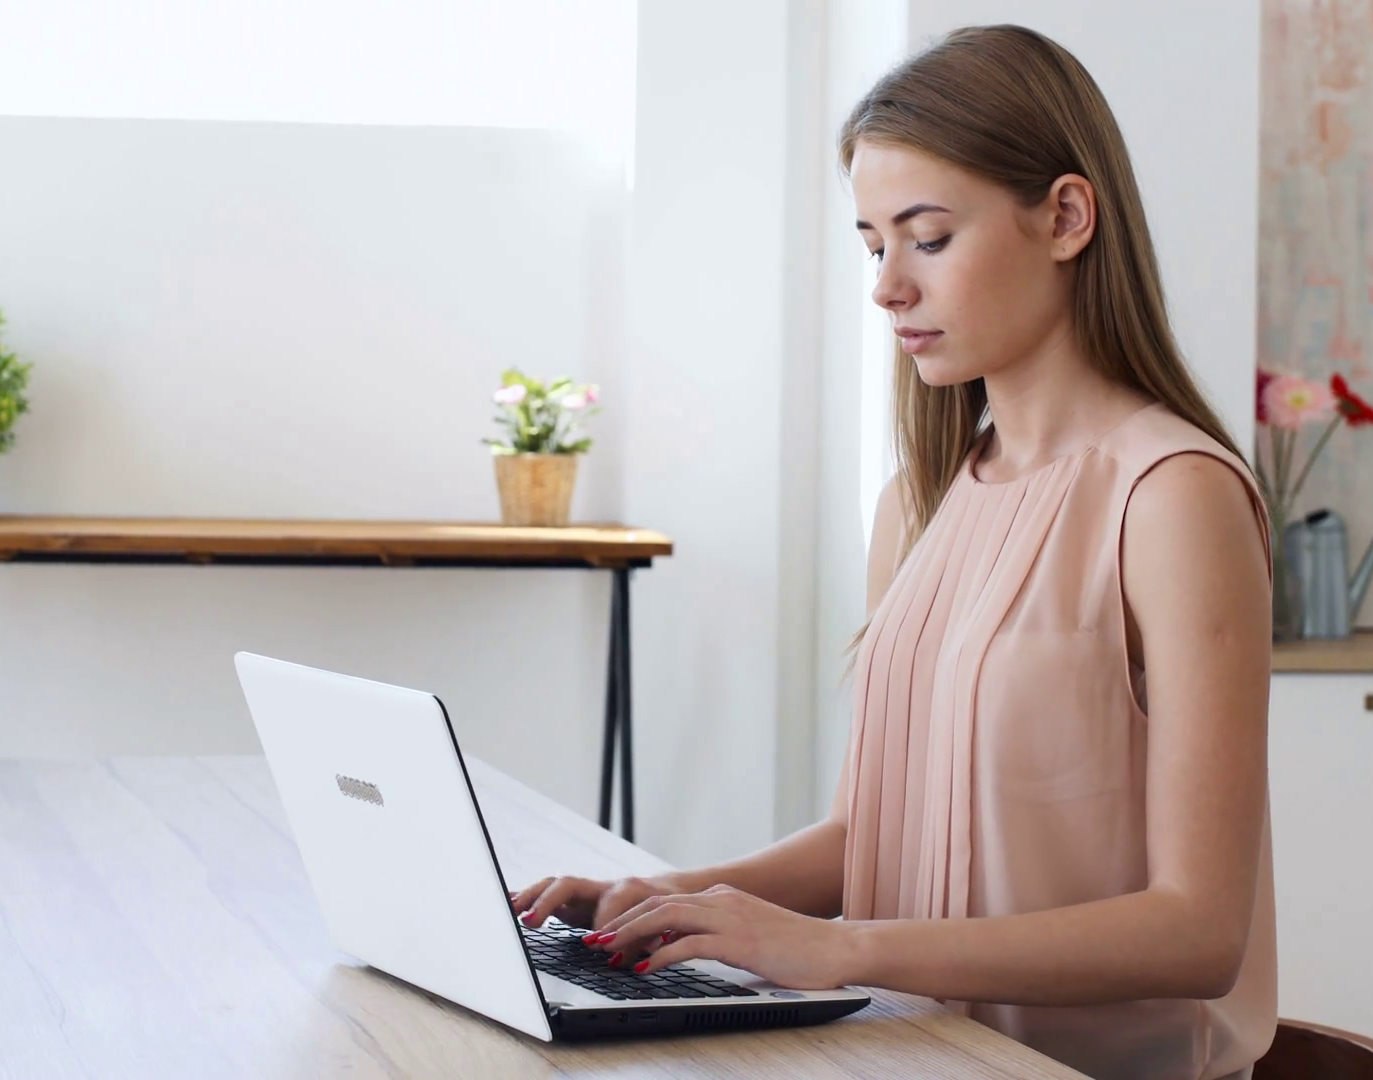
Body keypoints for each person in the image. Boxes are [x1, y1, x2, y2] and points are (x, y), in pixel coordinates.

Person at [509, 24, 1274, 1080]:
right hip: (901, 1056)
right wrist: (673, 898)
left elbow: (1200, 930)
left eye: (928, 237)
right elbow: (875, 835)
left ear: (1064, 217)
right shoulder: (917, 505)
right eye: (874, 244)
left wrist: (839, 951)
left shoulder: (1173, 496)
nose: (887, 287)